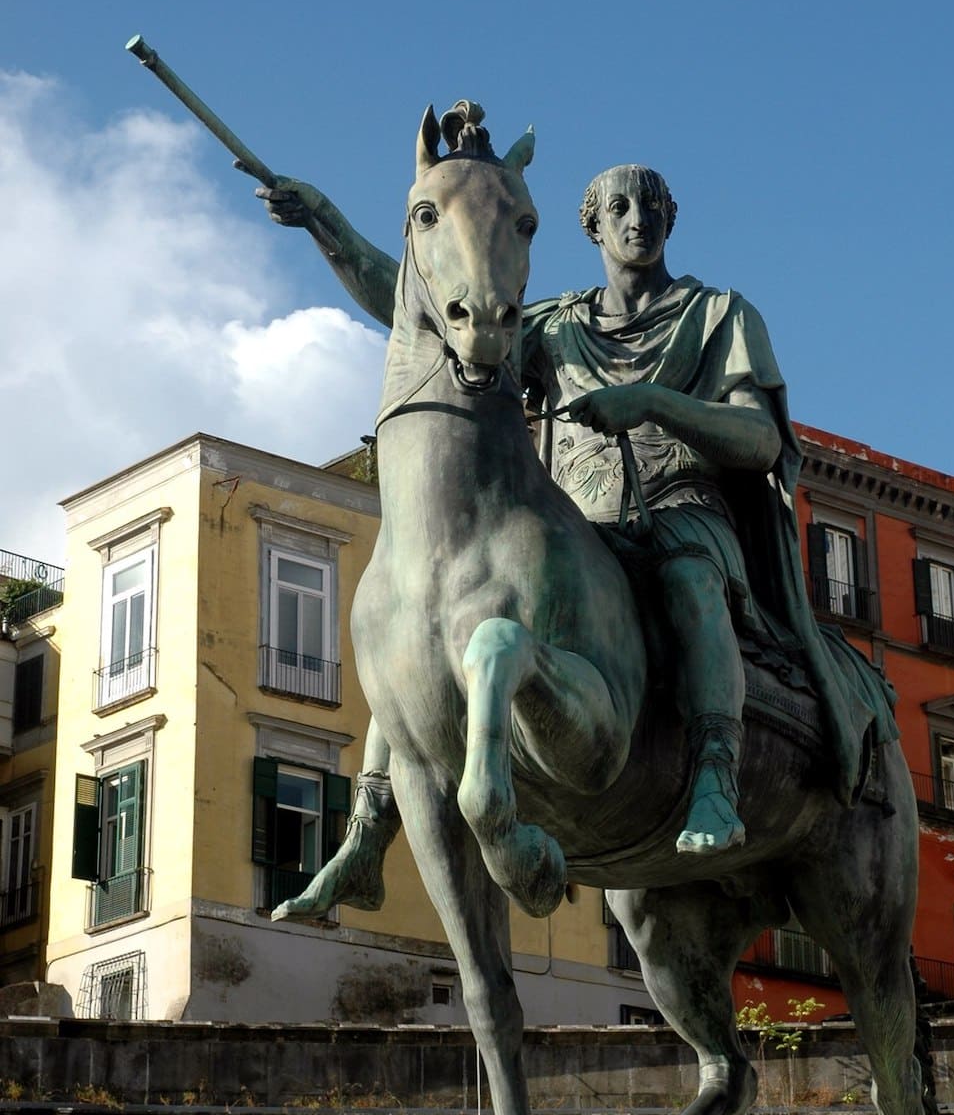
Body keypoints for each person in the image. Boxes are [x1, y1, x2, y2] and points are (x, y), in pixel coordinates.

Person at [258, 139, 894, 919]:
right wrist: (321, 221)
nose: (639, 220)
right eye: (619, 208)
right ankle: (368, 826)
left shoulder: (718, 314)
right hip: (575, 530)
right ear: (592, 228)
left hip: (682, 510)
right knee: (423, 622)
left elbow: (758, 437)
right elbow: (419, 299)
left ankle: (715, 777)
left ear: (671, 221)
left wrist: (654, 403)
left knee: (691, 583)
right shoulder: (556, 325)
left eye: (652, 206)